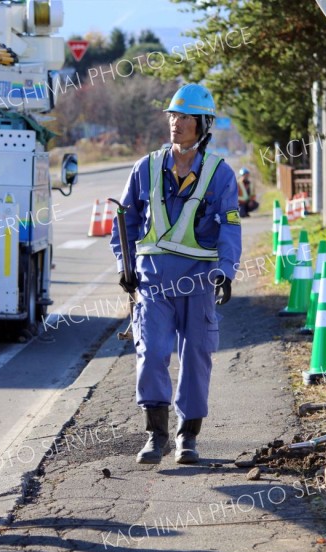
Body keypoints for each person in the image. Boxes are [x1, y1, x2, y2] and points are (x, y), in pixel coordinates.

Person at [110, 83, 241, 466]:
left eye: (184, 117)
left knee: (197, 356)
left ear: (202, 124)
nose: (175, 123)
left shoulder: (220, 174)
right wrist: (125, 266)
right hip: (153, 282)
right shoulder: (145, 167)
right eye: (172, 116)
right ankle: (156, 435)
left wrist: (225, 272)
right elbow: (126, 222)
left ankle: (188, 437)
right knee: (151, 353)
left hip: (199, 281)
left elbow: (230, 227)